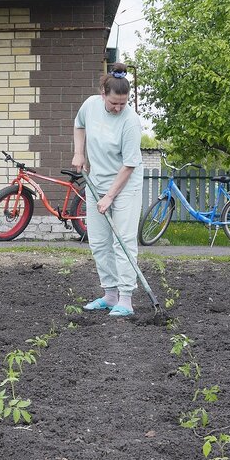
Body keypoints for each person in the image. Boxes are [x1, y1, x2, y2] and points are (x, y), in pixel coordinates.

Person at [72, 63, 145, 317]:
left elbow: (129, 164)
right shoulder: (90, 105)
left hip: (124, 186)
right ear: (103, 93)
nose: (118, 108)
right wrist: (79, 153)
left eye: (123, 103)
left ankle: (126, 298)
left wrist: (110, 196)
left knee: (122, 240)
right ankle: (110, 294)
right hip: (96, 182)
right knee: (100, 241)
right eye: (114, 103)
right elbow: (79, 125)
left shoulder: (131, 122)